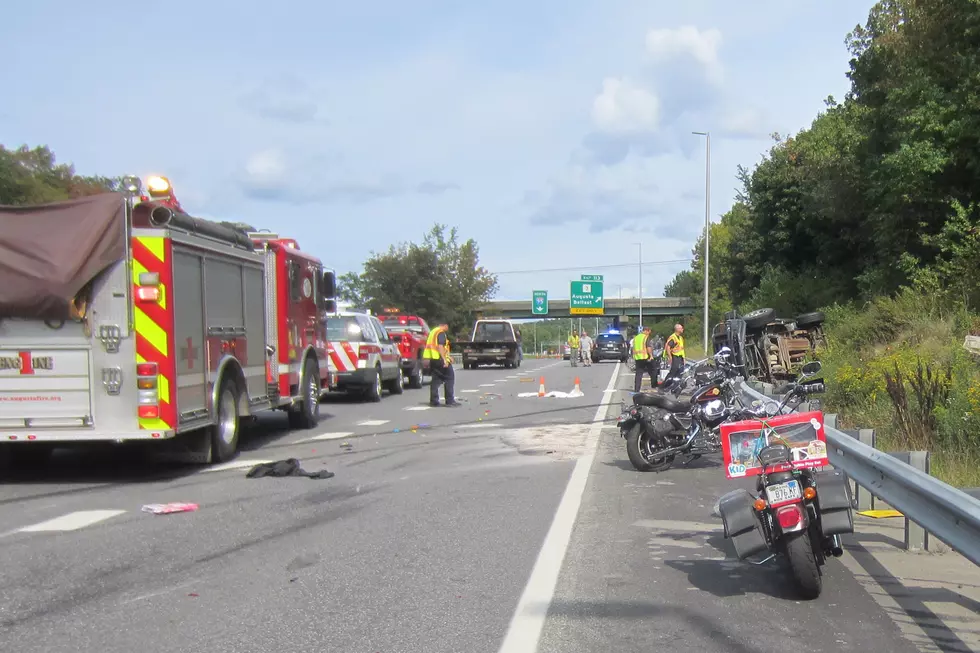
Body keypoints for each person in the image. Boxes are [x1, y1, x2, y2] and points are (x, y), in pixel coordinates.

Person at [423, 323, 460, 407]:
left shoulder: (432, 332)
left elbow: (435, 347)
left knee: (436, 380)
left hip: (433, 359)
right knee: (450, 378)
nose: (447, 329)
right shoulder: (441, 332)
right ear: (445, 325)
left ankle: (434, 401)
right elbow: (440, 346)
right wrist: (444, 360)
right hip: (440, 359)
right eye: (447, 327)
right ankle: (449, 401)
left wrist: (448, 357)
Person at [632, 326, 656, 392]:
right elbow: (648, 347)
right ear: (646, 331)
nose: (649, 334)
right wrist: (651, 355)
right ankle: (654, 385)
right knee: (653, 371)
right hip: (645, 357)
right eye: (649, 332)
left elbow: (633, 348)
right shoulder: (646, 337)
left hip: (637, 358)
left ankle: (637, 389)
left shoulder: (636, 338)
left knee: (638, 374)